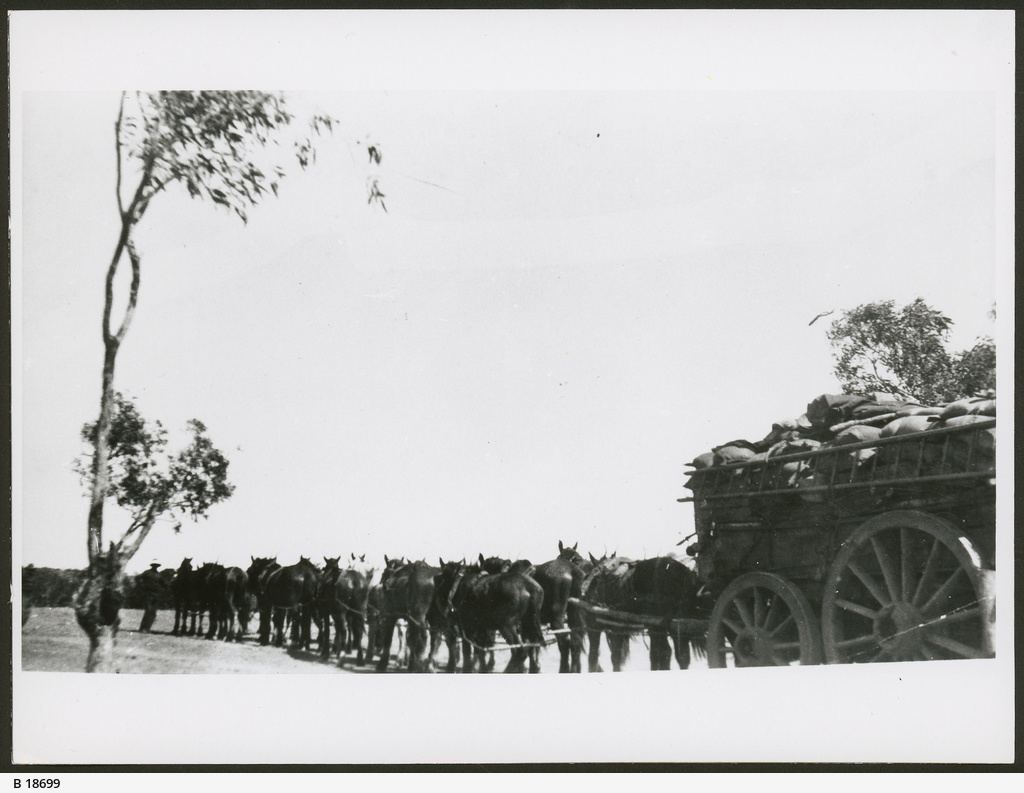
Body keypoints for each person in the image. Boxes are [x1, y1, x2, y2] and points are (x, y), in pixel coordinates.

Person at [137, 561, 163, 632]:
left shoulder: (159, 575)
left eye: (157, 565)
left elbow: (164, 584)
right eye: (154, 565)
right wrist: (142, 585)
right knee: (148, 610)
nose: (155, 566)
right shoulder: (146, 573)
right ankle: (143, 628)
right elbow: (138, 578)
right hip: (147, 593)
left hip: (156, 595)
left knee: (153, 612)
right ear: (152, 565)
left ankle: (147, 628)